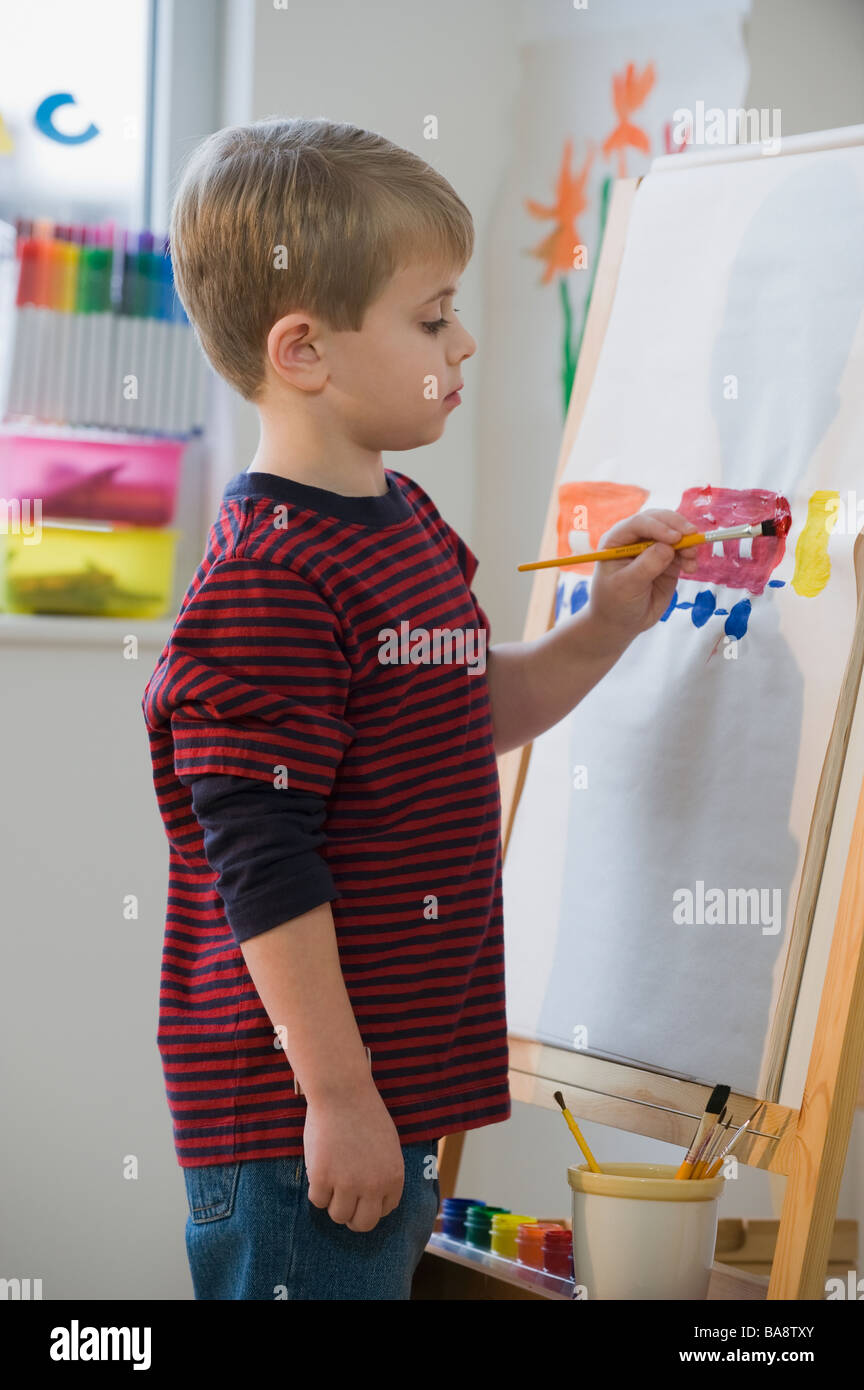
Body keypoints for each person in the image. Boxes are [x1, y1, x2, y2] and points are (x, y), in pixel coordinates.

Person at [141, 116, 699, 1300]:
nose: (469, 339)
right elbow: (262, 858)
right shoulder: (268, 582)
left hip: (385, 1095)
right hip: (294, 1116)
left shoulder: (408, 524)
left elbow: (463, 709)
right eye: (433, 316)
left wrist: (603, 626)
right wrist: (337, 1095)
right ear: (306, 351)